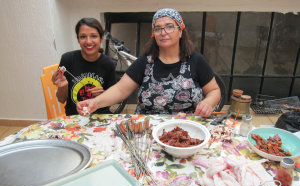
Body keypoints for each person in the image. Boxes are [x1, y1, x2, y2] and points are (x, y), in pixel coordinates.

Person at [77, 8, 221, 117]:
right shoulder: (145, 62)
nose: (163, 32)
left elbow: (214, 91)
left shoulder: (195, 60)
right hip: (147, 132)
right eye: (158, 28)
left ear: (181, 31)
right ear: (154, 34)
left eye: (170, 26)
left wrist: (208, 103)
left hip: (188, 130)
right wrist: (94, 102)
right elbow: (121, 89)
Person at [52, 18, 117, 116]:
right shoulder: (68, 59)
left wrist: (103, 95)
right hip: (75, 117)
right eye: (83, 37)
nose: (88, 41)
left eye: (94, 36)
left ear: (102, 38)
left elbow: (113, 100)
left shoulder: (108, 63)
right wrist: (63, 86)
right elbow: (61, 99)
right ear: (78, 39)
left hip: (100, 116)